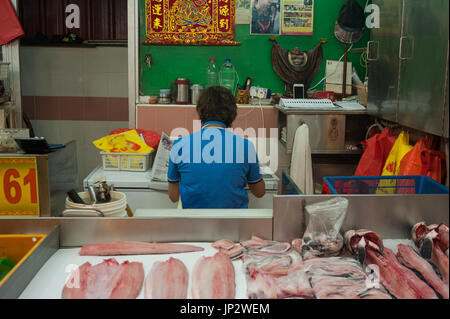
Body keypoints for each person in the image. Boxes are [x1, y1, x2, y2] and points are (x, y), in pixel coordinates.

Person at [167, 86, 265, 209]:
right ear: (232, 113)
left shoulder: (179, 145)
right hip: (235, 225)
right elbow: (259, 192)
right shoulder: (246, 146)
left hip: (193, 225)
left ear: (200, 111)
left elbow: (173, 197)